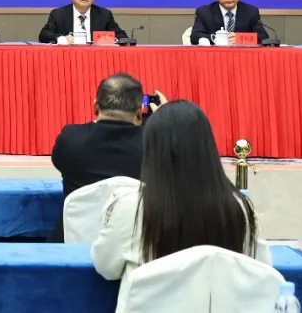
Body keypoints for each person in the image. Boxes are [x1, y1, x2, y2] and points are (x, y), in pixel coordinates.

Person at [91, 101, 271, 291]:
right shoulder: (239, 208)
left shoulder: (130, 206)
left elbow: (106, 267)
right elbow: (261, 268)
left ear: (152, 151)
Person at [48, 74, 164, 242]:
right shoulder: (156, 144)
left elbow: (58, 161)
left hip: (73, 243)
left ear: (96, 107)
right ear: (139, 112)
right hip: (135, 242)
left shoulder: (70, 138)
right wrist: (163, 124)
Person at [39, 0, 127, 43]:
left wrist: (109, 40)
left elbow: (122, 37)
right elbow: (44, 35)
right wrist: (62, 39)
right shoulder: (59, 14)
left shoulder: (104, 15)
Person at [190, 0, 270, 45]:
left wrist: (241, 39)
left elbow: (263, 37)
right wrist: (219, 39)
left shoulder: (251, 11)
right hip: (215, 55)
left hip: (241, 55)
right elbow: (195, 37)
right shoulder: (204, 12)